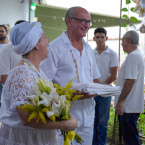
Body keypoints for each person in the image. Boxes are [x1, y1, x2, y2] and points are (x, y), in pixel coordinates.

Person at [0, 21, 78, 145]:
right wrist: (65, 123)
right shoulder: (22, 73)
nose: (48, 41)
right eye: (45, 37)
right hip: (25, 140)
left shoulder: (34, 70)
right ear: (36, 44)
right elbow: (26, 118)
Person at [40, 6, 101, 145]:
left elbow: (95, 78)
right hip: (64, 118)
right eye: (82, 21)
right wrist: (70, 94)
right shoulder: (54, 48)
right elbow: (44, 84)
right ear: (69, 21)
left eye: (88, 22)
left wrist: (106, 88)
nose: (86, 25)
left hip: (88, 116)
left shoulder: (88, 49)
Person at [114, 30, 144, 145]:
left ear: (127, 41)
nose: (121, 44)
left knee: (130, 140)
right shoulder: (136, 55)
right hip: (130, 106)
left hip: (128, 107)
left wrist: (120, 101)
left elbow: (130, 80)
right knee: (130, 138)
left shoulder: (133, 56)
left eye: (122, 41)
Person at [92, 27, 119, 145]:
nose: (99, 39)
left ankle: (102, 144)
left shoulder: (112, 54)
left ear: (106, 38)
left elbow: (114, 75)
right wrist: (96, 87)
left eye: (102, 37)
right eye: (97, 37)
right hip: (92, 92)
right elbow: (88, 72)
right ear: (94, 38)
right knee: (92, 122)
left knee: (103, 123)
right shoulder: (90, 53)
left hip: (106, 93)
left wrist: (102, 86)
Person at [0, 20, 25, 107]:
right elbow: (3, 78)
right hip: (11, 98)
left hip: (27, 99)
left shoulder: (31, 49)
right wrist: (23, 87)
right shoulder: (7, 50)